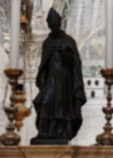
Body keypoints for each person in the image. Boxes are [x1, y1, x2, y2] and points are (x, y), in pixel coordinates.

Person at [31, 9, 86, 143]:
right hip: (51, 79)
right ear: (49, 25)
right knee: (46, 102)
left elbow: (76, 62)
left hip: (65, 80)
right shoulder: (47, 42)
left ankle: (62, 131)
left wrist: (66, 55)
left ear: (60, 23)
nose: (54, 27)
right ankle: (45, 131)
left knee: (63, 107)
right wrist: (42, 80)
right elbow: (43, 64)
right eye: (52, 25)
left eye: (56, 24)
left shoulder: (68, 41)